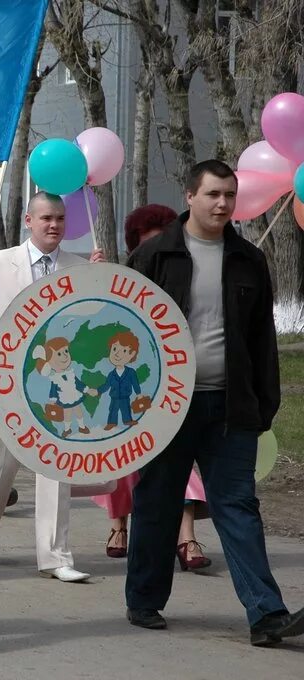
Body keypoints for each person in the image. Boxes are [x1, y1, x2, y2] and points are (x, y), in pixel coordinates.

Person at [124, 160, 303, 646]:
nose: (222, 203)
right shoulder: (153, 257)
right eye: (212, 195)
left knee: (238, 506)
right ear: (189, 196)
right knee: (157, 503)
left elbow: (262, 338)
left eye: (229, 194)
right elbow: (127, 332)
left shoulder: (248, 259)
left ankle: (267, 613)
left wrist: (264, 406)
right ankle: (144, 599)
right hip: (165, 409)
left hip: (231, 409)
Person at [0, 191, 103, 583]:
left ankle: (55, 555)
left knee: (57, 465)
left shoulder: (80, 266)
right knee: (2, 462)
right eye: (46, 218)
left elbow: (93, 323)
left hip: (61, 385)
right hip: (12, 383)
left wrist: (102, 280)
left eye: (60, 219)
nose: (54, 225)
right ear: (29, 220)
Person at [94, 204, 210, 567]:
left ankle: (186, 538)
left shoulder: (191, 280)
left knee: (180, 463)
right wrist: (98, 280)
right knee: (123, 457)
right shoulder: (123, 283)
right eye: (147, 247)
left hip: (175, 384)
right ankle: (118, 525)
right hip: (130, 390)